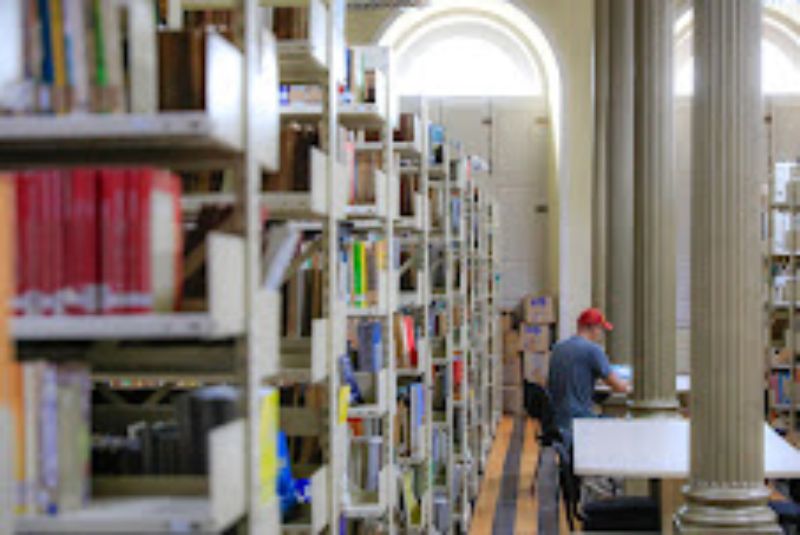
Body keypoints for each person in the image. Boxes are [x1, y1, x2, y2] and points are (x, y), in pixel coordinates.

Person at [547, 308, 629, 446]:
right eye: (601, 329)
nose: (602, 334)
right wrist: (631, 385)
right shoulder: (593, 350)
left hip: (557, 418)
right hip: (579, 418)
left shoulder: (558, 348)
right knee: (620, 427)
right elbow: (618, 386)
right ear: (593, 328)